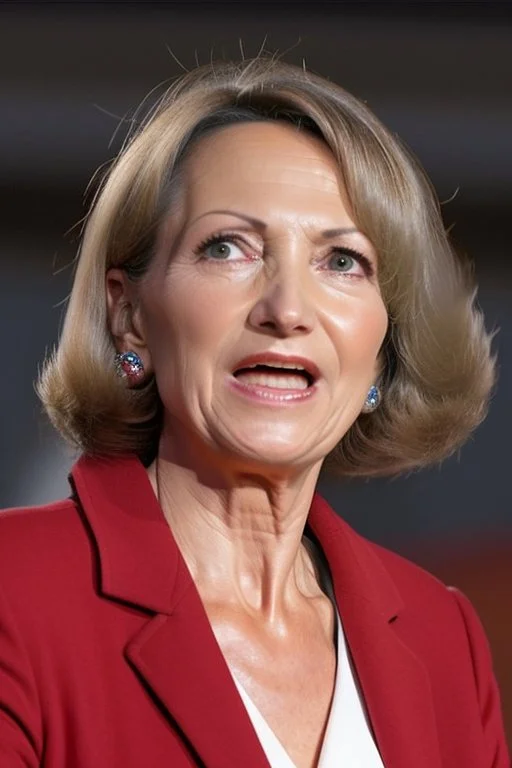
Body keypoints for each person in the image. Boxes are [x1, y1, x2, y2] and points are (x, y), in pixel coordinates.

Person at [0, 57, 508, 768]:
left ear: (383, 343)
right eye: (228, 248)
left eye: (342, 262)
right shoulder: (13, 594)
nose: (288, 310)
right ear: (130, 315)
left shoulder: (441, 634)